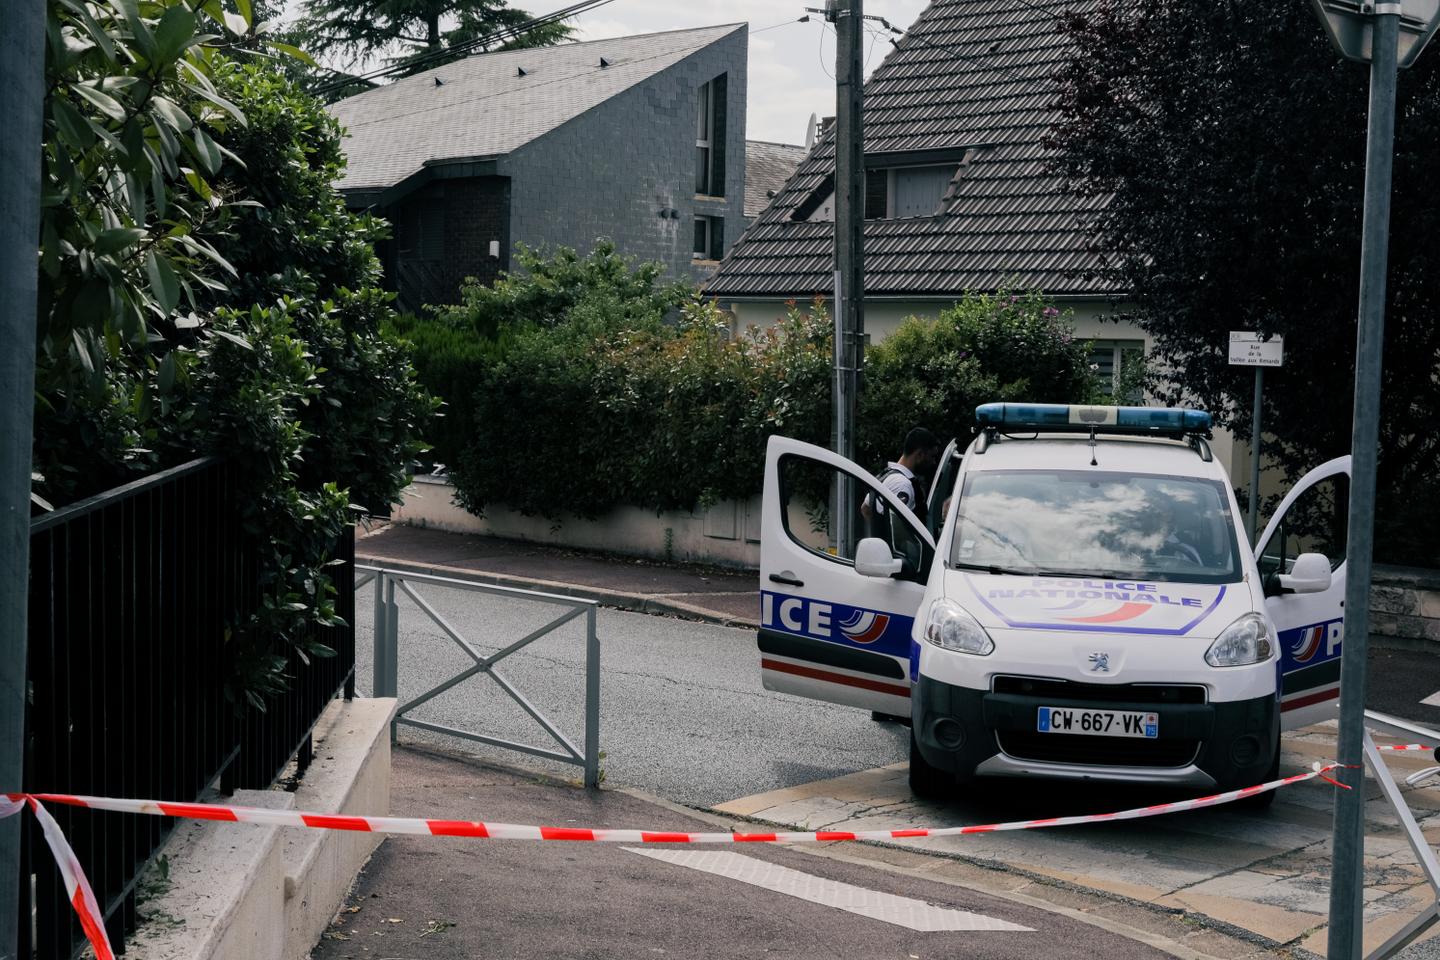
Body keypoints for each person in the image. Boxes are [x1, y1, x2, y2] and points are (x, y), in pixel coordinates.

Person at [862, 427, 941, 529]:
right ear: (920, 454)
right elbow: (898, 529)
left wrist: (877, 535)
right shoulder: (902, 484)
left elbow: (865, 508)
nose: (933, 462)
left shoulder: (887, 476)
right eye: (932, 456)